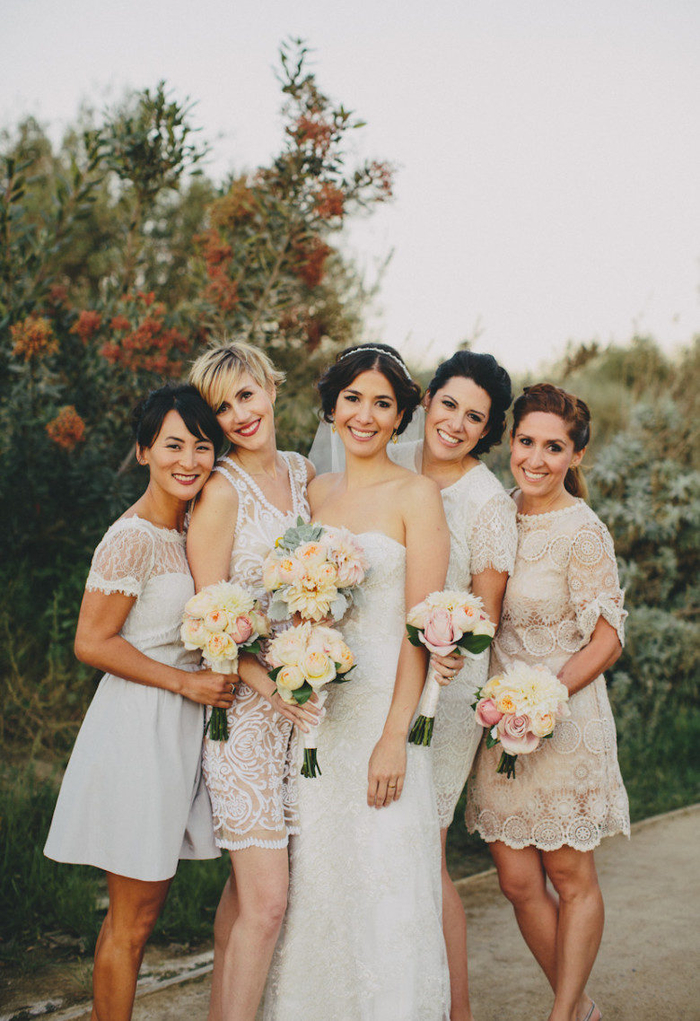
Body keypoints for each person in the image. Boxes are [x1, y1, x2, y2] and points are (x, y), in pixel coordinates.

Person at [264, 343, 454, 1021]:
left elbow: (421, 628)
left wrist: (395, 737)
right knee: (320, 879)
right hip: (322, 715)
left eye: (382, 403)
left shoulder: (418, 496)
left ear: (401, 415)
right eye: (353, 399)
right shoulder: (314, 492)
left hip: (385, 716)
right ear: (331, 406)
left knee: (387, 880)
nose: (364, 415)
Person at [44, 384, 234, 1021]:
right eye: (173, 444)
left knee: (147, 910)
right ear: (144, 449)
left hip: (180, 725)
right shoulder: (132, 538)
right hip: (139, 725)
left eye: (202, 445)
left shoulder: (190, 529)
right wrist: (185, 683)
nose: (188, 459)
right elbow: (90, 642)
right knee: (133, 917)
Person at [466, 383, 630, 1021]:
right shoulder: (497, 513)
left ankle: (563, 1013)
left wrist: (548, 695)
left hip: (564, 722)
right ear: (511, 442)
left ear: (576, 456)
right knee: (515, 882)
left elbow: (608, 636)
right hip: (499, 724)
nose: (536, 458)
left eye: (553, 447)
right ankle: (584, 1008)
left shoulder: (582, 530)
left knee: (570, 877)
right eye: (527, 441)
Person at [187, 341, 318, 1021]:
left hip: (302, 715)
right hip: (243, 716)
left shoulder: (305, 473)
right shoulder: (219, 492)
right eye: (221, 406)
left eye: (246, 394)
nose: (240, 414)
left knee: (245, 899)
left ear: (270, 386)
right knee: (268, 902)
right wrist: (273, 689)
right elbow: (208, 620)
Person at [389, 350, 517, 1021]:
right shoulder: (387, 456)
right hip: (374, 678)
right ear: (428, 398)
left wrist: (439, 655)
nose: (457, 424)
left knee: (422, 849)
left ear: (487, 429)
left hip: (448, 685)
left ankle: (454, 1011)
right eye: (450, 405)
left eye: (476, 417)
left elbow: (484, 620)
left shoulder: (486, 502)